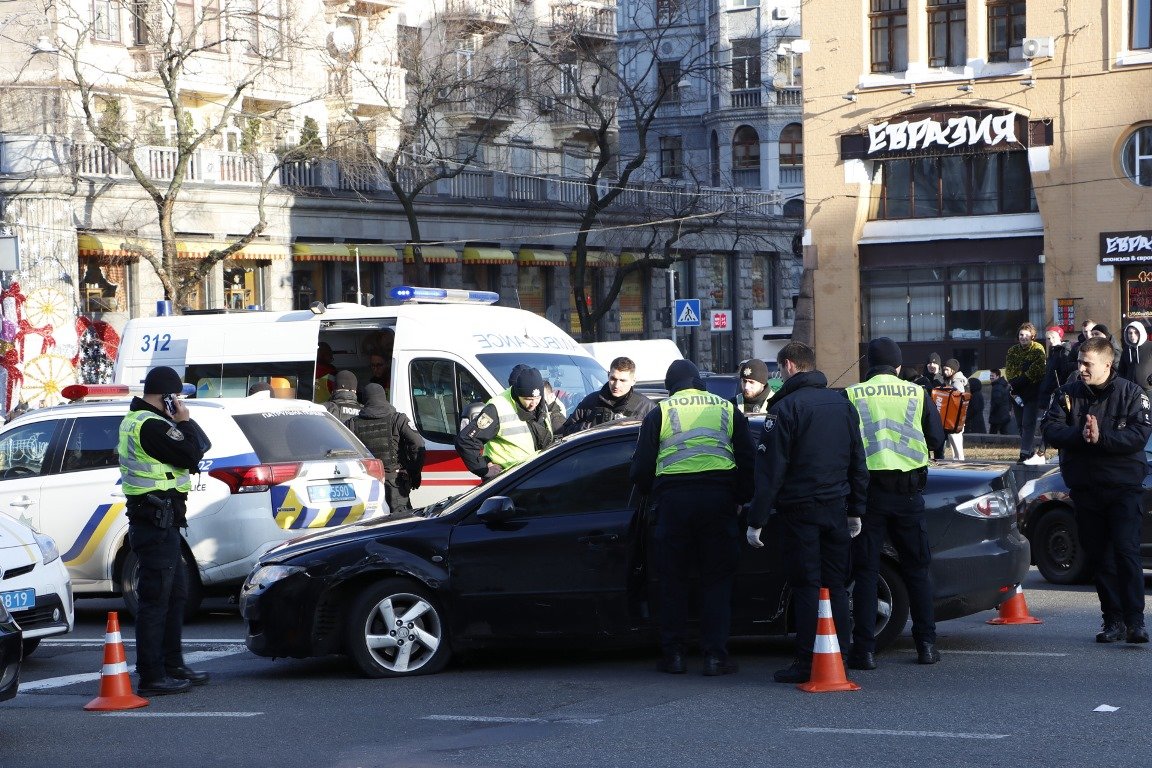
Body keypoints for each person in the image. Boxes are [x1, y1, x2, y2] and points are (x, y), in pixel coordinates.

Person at [746, 342, 868, 683]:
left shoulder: (785, 409)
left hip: (800, 511)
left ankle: (805, 662)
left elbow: (770, 471)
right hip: (836, 508)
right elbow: (859, 462)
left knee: (806, 585)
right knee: (837, 585)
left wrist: (756, 520)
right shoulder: (842, 405)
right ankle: (840, 655)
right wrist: (856, 508)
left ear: (788, 366)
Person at [630, 359, 754, 676]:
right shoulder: (727, 408)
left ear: (671, 386)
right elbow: (748, 460)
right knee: (716, 582)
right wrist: (739, 498)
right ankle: (715, 657)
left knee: (673, 582)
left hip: (674, 504)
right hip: (718, 501)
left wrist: (654, 494)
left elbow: (641, 469)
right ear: (699, 381)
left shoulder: (660, 412)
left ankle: (674, 657)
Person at [845, 338, 946, 671]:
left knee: (866, 572)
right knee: (917, 570)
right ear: (899, 366)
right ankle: (926, 646)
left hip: (867, 495)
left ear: (868, 365)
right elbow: (936, 439)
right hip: (907, 494)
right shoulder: (917, 393)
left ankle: (864, 651)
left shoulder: (853, 394)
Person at [1042, 336, 1150, 645]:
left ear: (1107, 364)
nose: (1081, 368)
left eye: (1087, 363)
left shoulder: (1132, 394)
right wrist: (1081, 434)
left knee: (1127, 553)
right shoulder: (1066, 394)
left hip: (1122, 488)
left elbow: (1137, 436)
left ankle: (1135, 622)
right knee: (1100, 556)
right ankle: (1112, 620)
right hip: (1086, 489)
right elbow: (1050, 429)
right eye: (1079, 362)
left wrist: (1100, 440)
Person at [118, 366, 212, 696]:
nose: (181, 403)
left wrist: (182, 421)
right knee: (156, 600)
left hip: (163, 521)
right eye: (178, 397)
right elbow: (192, 453)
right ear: (167, 397)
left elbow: (201, 447)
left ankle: (173, 664)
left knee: (176, 595)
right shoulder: (151, 426)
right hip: (155, 522)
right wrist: (183, 419)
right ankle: (152, 675)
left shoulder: (145, 421)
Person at [455, 366, 554, 480]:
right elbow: (465, 440)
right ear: (518, 393)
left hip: (534, 475)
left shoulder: (540, 402)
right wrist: (484, 469)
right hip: (509, 481)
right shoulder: (498, 407)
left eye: (537, 398)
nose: (533, 403)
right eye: (528, 399)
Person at [349, 383, 426, 517]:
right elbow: (418, 444)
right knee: (401, 526)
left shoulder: (352, 423)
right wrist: (414, 472)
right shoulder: (398, 419)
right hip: (394, 483)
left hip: (367, 485)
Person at [560, 356, 654, 434]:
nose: (616, 385)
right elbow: (567, 431)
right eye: (613, 379)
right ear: (608, 375)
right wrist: (594, 426)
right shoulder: (591, 401)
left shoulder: (646, 407)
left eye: (622, 380)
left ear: (633, 381)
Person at [1030, 326, 1078, 464]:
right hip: (1051, 391)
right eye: (1048, 338)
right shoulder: (1053, 352)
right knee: (1052, 422)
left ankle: (1041, 453)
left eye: (1052, 338)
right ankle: (1051, 453)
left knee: (1050, 421)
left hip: (1059, 392)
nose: (1050, 341)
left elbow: (1063, 372)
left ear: (1059, 337)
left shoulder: (1064, 351)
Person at [1005, 322, 1048, 463]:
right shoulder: (1012, 351)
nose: (1023, 337)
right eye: (1021, 335)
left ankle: (1023, 453)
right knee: (1019, 423)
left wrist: (1023, 378)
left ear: (1033, 336)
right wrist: (1014, 381)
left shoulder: (1037, 349)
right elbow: (1009, 370)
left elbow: (1038, 369)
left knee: (1028, 422)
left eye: (1026, 335)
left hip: (1032, 391)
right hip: (1016, 392)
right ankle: (1029, 451)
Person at [940, 358, 968, 460]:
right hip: (955, 416)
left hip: (955, 417)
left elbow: (958, 398)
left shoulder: (956, 382)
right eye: (944, 369)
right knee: (954, 440)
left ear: (953, 370)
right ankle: (957, 459)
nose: (945, 372)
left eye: (947, 369)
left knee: (955, 439)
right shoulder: (952, 380)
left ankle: (959, 461)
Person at [1117, 320, 1152, 396]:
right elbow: (1121, 370)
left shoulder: (1150, 346)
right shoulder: (1126, 350)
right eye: (1130, 333)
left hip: (1148, 390)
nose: (1132, 335)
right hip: (1131, 390)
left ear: (1141, 333)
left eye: (1136, 332)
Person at [988, 369, 1014, 434]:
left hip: (997, 415)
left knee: (992, 435)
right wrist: (1009, 410)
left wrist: (992, 411)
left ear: (998, 376)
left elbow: (997, 401)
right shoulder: (1003, 384)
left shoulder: (997, 387)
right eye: (990, 375)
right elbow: (1009, 398)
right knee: (1004, 432)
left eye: (992, 376)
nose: (991, 377)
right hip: (1004, 414)